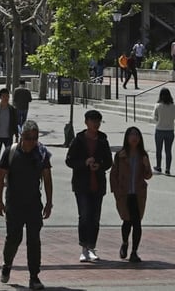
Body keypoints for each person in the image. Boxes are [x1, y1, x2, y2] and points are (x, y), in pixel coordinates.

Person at [0, 120, 52, 291]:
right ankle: (7, 264)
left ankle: (34, 276)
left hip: (34, 204)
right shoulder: (11, 152)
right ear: (22, 137)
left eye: (34, 138)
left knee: (34, 240)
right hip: (14, 204)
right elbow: (0, 177)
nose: (31, 142)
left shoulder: (41, 154)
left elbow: (48, 179)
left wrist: (49, 202)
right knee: (14, 238)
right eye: (28, 138)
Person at [65, 109, 113, 262]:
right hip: (82, 185)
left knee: (95, 217)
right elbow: (69, 160)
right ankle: (84, 248)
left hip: (98, 184)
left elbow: (109, 161)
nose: (96, 124)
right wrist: (84, 163)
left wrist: (99, 165)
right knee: (84, 216)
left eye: (98, 121)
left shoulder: (103, 140)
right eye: (93, 121)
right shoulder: (78, 140)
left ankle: (92, 247)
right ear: (86, 122)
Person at [109, 126, 152, 262]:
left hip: (138, 194)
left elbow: (148, 175)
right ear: (127, 138)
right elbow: (113, 174)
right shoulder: (120, 155)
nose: (134, 138)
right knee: (127, 221)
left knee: (137, 223)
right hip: (124, 193)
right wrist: (115, 191)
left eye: (137, 135)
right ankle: (125, 243)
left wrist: (146, 165)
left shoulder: (143, 155)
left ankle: (134, 252)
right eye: (131, 135)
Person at [152, 88, 175, 175]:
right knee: (168, 150)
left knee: (159, 150)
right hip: (170, 130)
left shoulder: (158, 105)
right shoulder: (173, 106)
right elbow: (174, 116)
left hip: (160, 129)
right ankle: (168, 168)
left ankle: (158, 166)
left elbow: (155, 117)